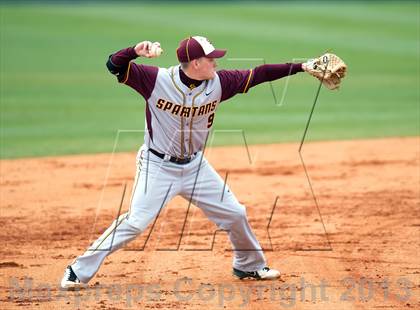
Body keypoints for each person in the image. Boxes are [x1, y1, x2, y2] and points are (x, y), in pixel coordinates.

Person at [60, 36, 305, 289]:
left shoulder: (219, 83)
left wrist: (302, 67)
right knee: (135, 222)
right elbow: (114, 66)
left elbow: (260, 74)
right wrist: (134, 51)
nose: (216, 63)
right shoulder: (157, 80)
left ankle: (249, 265)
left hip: (195, 167)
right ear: (196, 63)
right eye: (211, 59)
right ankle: (77, 270)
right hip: (157, 166)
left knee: (235, 213)